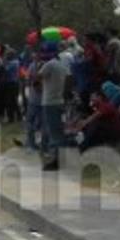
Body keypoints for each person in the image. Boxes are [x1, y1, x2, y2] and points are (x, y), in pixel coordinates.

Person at [36, 42, 68, 171]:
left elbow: (36, 77)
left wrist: (38, 65)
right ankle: (58, 158)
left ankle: (56, 161)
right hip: (59, 101)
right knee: (58, 131)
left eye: (44, 52)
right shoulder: (61, 64)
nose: (42, 54)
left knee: (54, 133)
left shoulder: (49, 65)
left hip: (50, 102)